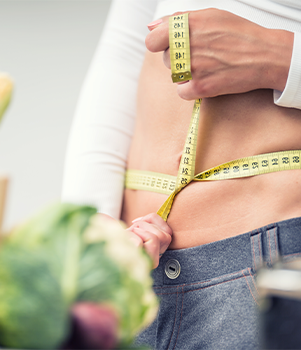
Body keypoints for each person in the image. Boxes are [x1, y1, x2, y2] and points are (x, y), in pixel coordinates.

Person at [62, 1, 301, 348]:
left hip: (274, 263)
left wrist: (281, 57)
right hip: (129, 279)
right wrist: (91, 224)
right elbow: (123, 51)